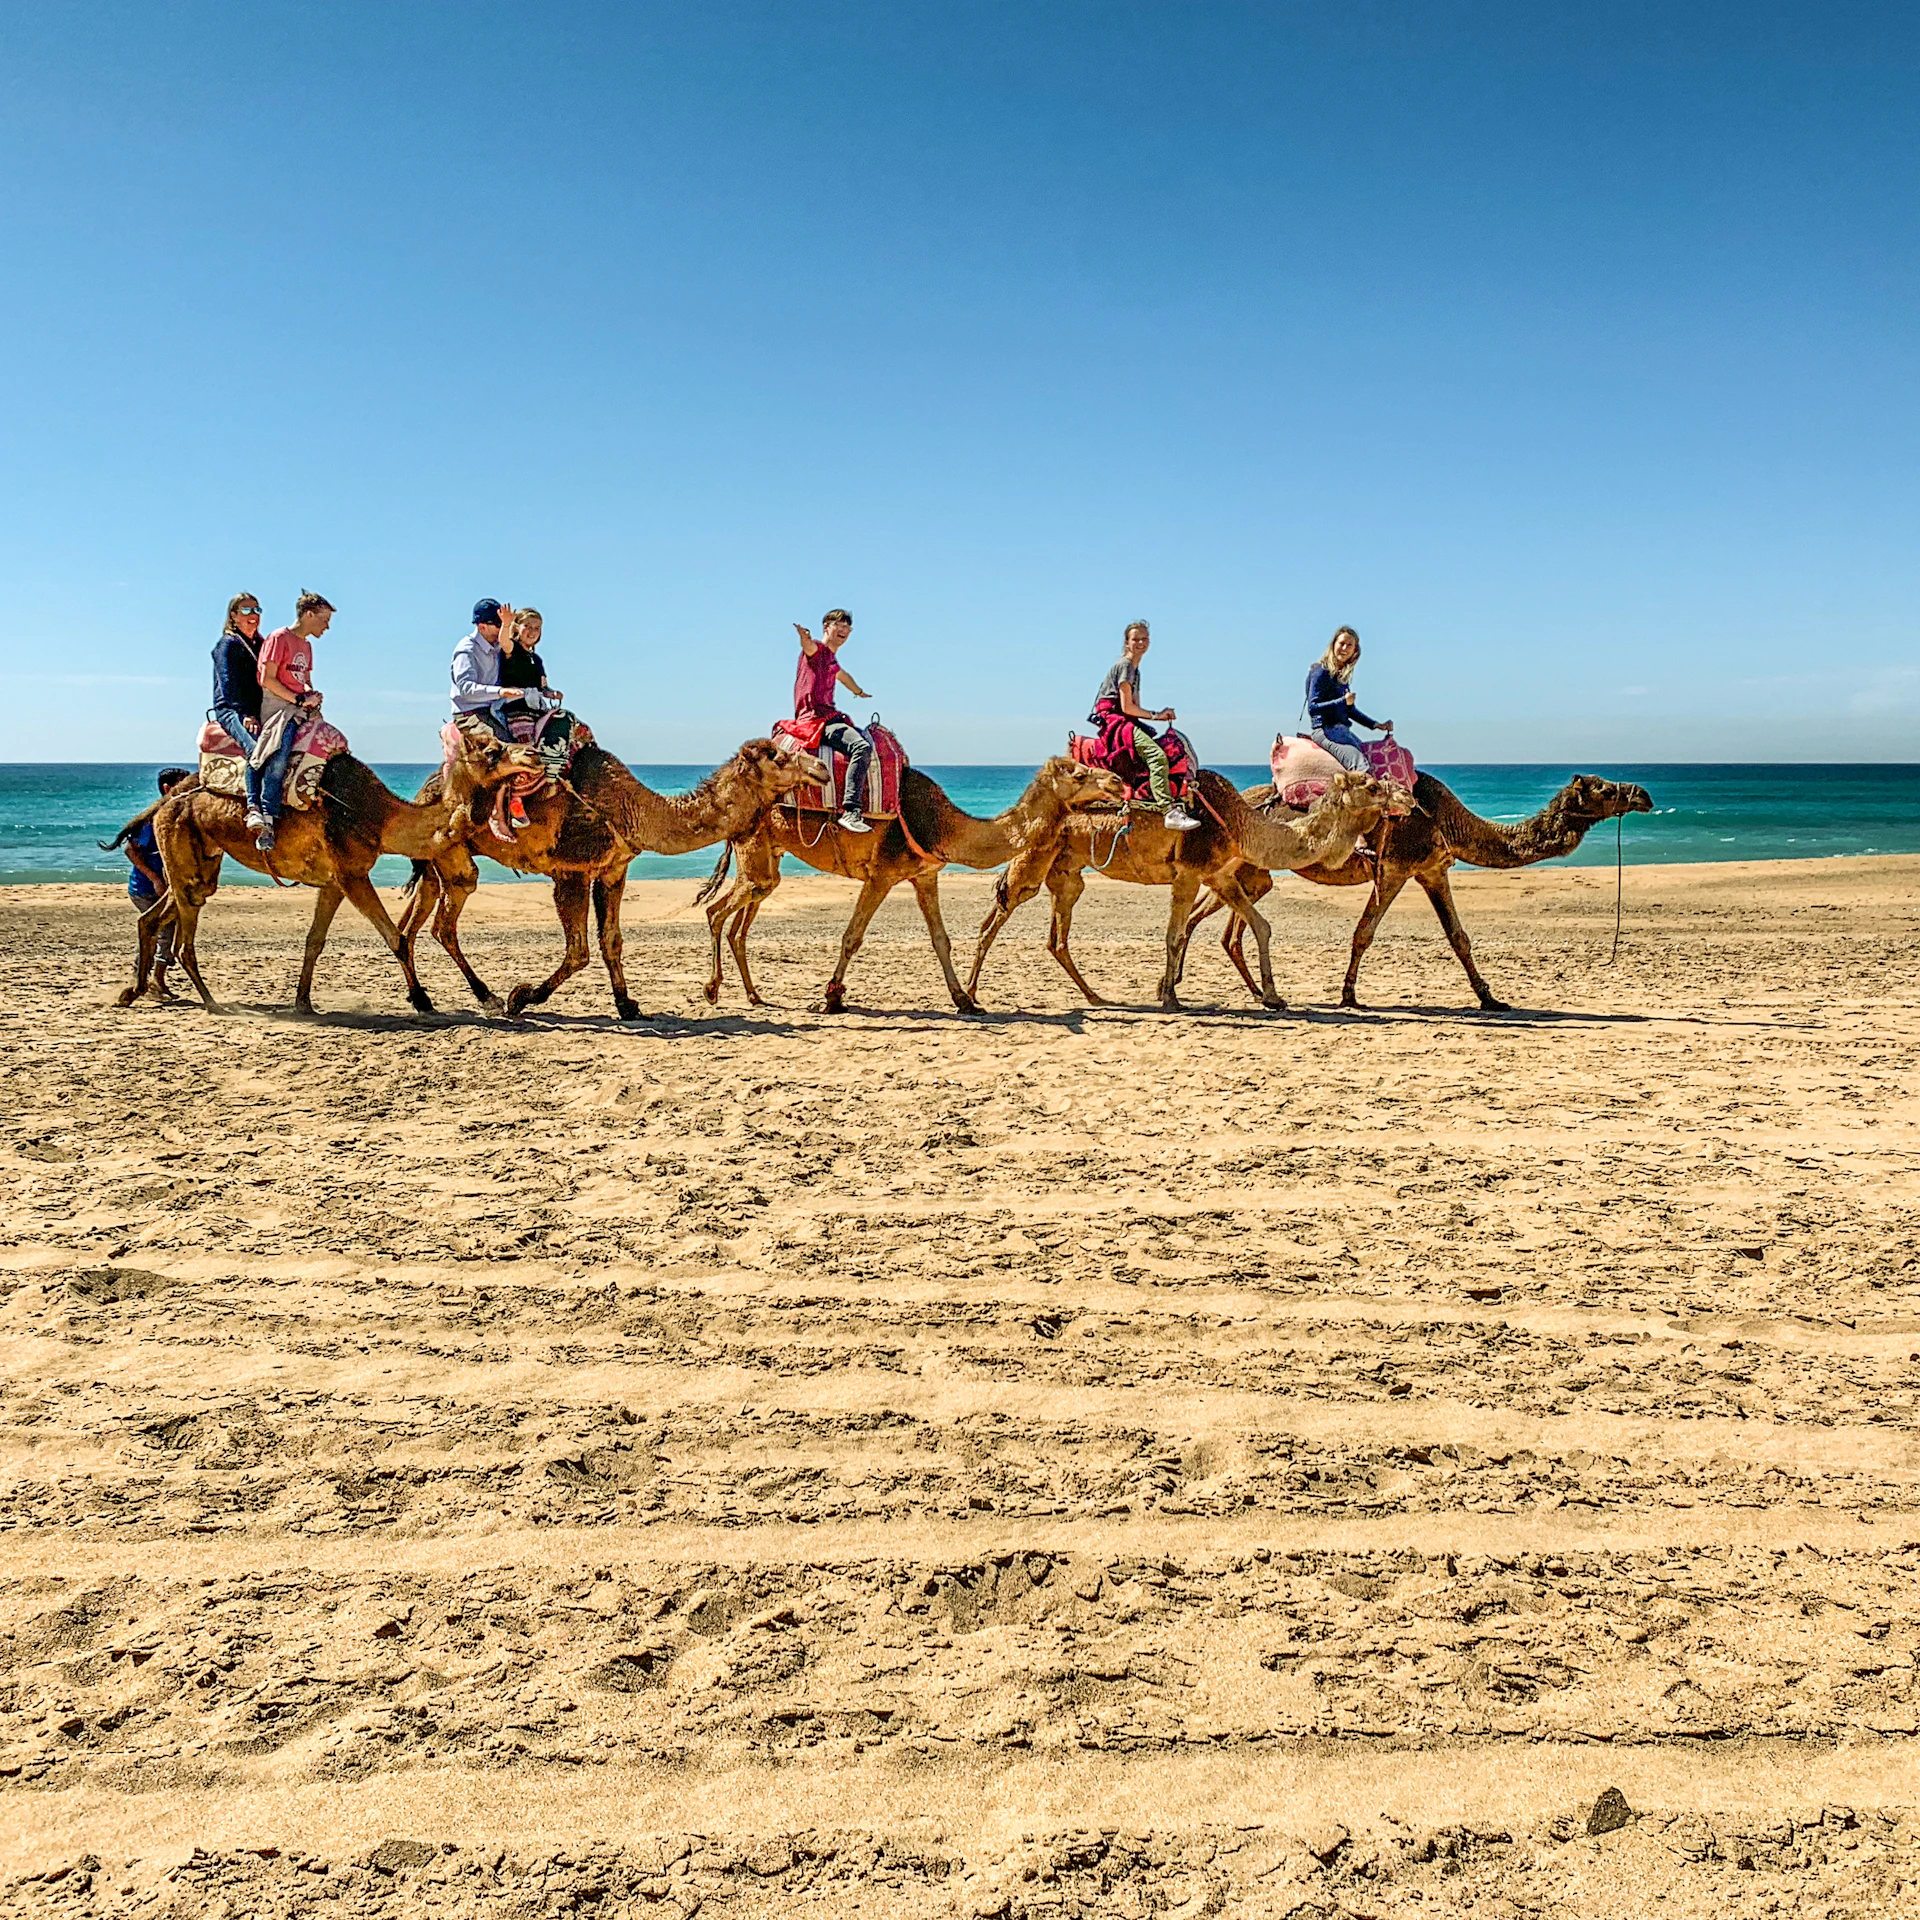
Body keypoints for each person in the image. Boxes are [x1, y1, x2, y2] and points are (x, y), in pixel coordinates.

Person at [1091, 620, 1200, 831]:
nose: (1141, 643)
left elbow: (1135, 707)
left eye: (1144, 639)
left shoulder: (1135, 671)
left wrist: (1157, 715)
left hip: (1124, 719)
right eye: (1136, 639)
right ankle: (1168, 810)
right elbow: (1127, 707)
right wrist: (1158, 716)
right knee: (1157, 756)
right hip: (1115, 721)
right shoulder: (1124, 666)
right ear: (1127, 642)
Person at [249, 592, 333, 849]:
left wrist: (312, 694)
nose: (326, 627)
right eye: (324, 620)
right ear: (308, 614)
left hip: (299, 705)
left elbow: (303, 679)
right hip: (279, 708)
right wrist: (297, 700)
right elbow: (267, 679)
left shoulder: (307, 646)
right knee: (279, 756)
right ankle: (267, 818)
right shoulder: (278, 638)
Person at [792, 608, 876, 832]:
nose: (844, 630)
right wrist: (804, 638)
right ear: (826, 627)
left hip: (829, 717)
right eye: (839, 625)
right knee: (861, 746)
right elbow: (808, 647)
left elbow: (843, 676)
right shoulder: (817, 650)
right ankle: (851, 810)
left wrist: (858, 692)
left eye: (848, 627)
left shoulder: (831, 660)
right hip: (817, 720)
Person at [121, 767, 194, 998]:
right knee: (162, 932)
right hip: (145, 888)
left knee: (163, 933)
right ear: (167, 788)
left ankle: (147, 980)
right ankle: (152, 982)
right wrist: (155, 880)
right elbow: (130, 849)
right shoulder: (155, 818)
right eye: (182, 785)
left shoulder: (178, 815)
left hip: (166, 888)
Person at [210, 591, 268, 821]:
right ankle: (254, 807)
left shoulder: (261, 644)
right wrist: (244, 714)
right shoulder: (228, 645)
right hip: (232, 709)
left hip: (259, 708)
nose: (253, 615)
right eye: (246, 610)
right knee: (256, 748)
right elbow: (227, 683)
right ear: (233, 615)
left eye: (256, 610)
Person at [1305, 626, 1392, 772]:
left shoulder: (1341, 677)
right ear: (1333, 645)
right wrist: (1342, 701)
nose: (1344, 648)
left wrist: (1376, 725)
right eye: (1341, 643)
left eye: (1349, 645)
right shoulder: (1320, 671)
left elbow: (1350, 710)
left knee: (1376, 764)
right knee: (1362, 769)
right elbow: (1313, 707)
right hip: (1326, 730)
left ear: (1355, 651)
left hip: (1342, 730)